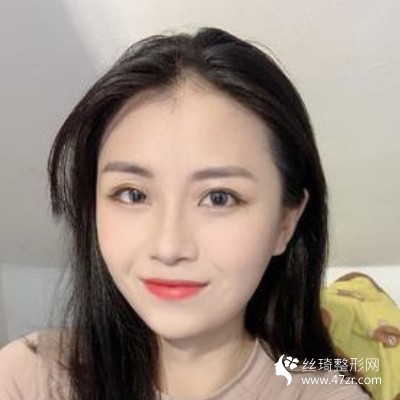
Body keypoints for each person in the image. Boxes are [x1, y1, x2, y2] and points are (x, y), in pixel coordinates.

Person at [0, 27, 370, 399]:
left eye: (219, 198)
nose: (169, 247)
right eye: (132, 194)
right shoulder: (27, 378)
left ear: (285, 223)